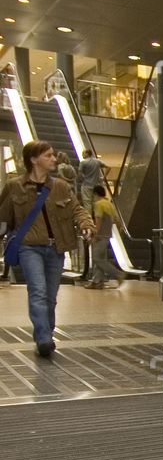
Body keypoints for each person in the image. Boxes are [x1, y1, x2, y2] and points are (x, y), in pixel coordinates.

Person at [0, 139, 96, 356]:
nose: (54, 159)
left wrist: (86, 224)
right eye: (48, 155)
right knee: (38, 291)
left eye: (53, 155)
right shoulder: (14, 186)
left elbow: (77, 209)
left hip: (56, 249)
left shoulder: (61, 186)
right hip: (29, 247)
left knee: (50, 296)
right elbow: (2, 217)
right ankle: (43, 339)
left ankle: (46, 334)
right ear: (34, 160)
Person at [83, 184, 120, 289]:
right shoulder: (109, 204)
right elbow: (116, 220)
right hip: (108, 235)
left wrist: (95, 234)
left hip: (100, 235)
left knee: (97, 259)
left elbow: (98, 220)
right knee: (100, 258)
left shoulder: (99, 204)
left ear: (95, 194)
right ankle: (97, 282)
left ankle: (118, 274)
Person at [78, 149, 105, 213]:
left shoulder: (83, 162)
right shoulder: (98, 161)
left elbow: (79, 174)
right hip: (96, 186)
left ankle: (89, 220)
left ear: (87, 153)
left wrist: (83, 179)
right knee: (95, 203)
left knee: (87, 203)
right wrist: (103, 177)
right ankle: (97, 218)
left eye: (83, 153)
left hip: (86, 185)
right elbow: (108, 167)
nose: (82, 155)